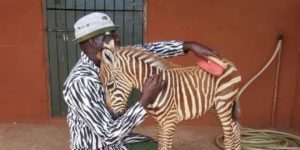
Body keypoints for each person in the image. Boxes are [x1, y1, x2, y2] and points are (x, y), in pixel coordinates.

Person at [62, 12, 220, 150]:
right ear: (93, 42)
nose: (117, 38)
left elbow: (148, 50)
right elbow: (109, 134)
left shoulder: (113, 59)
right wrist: (145, 99)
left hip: (120, 141)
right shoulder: (81, 82)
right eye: (110, 34)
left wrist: (190, 45)